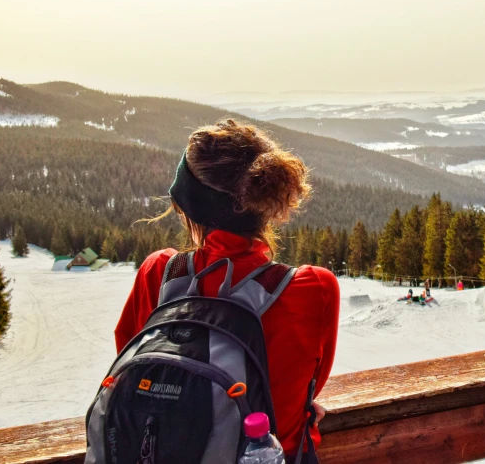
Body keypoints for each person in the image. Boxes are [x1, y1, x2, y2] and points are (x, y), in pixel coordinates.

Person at [114, 119, 339, 463]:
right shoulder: (314, 289)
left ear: (189, 209)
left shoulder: (160, 273)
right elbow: (307, 383)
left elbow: (133, 369)